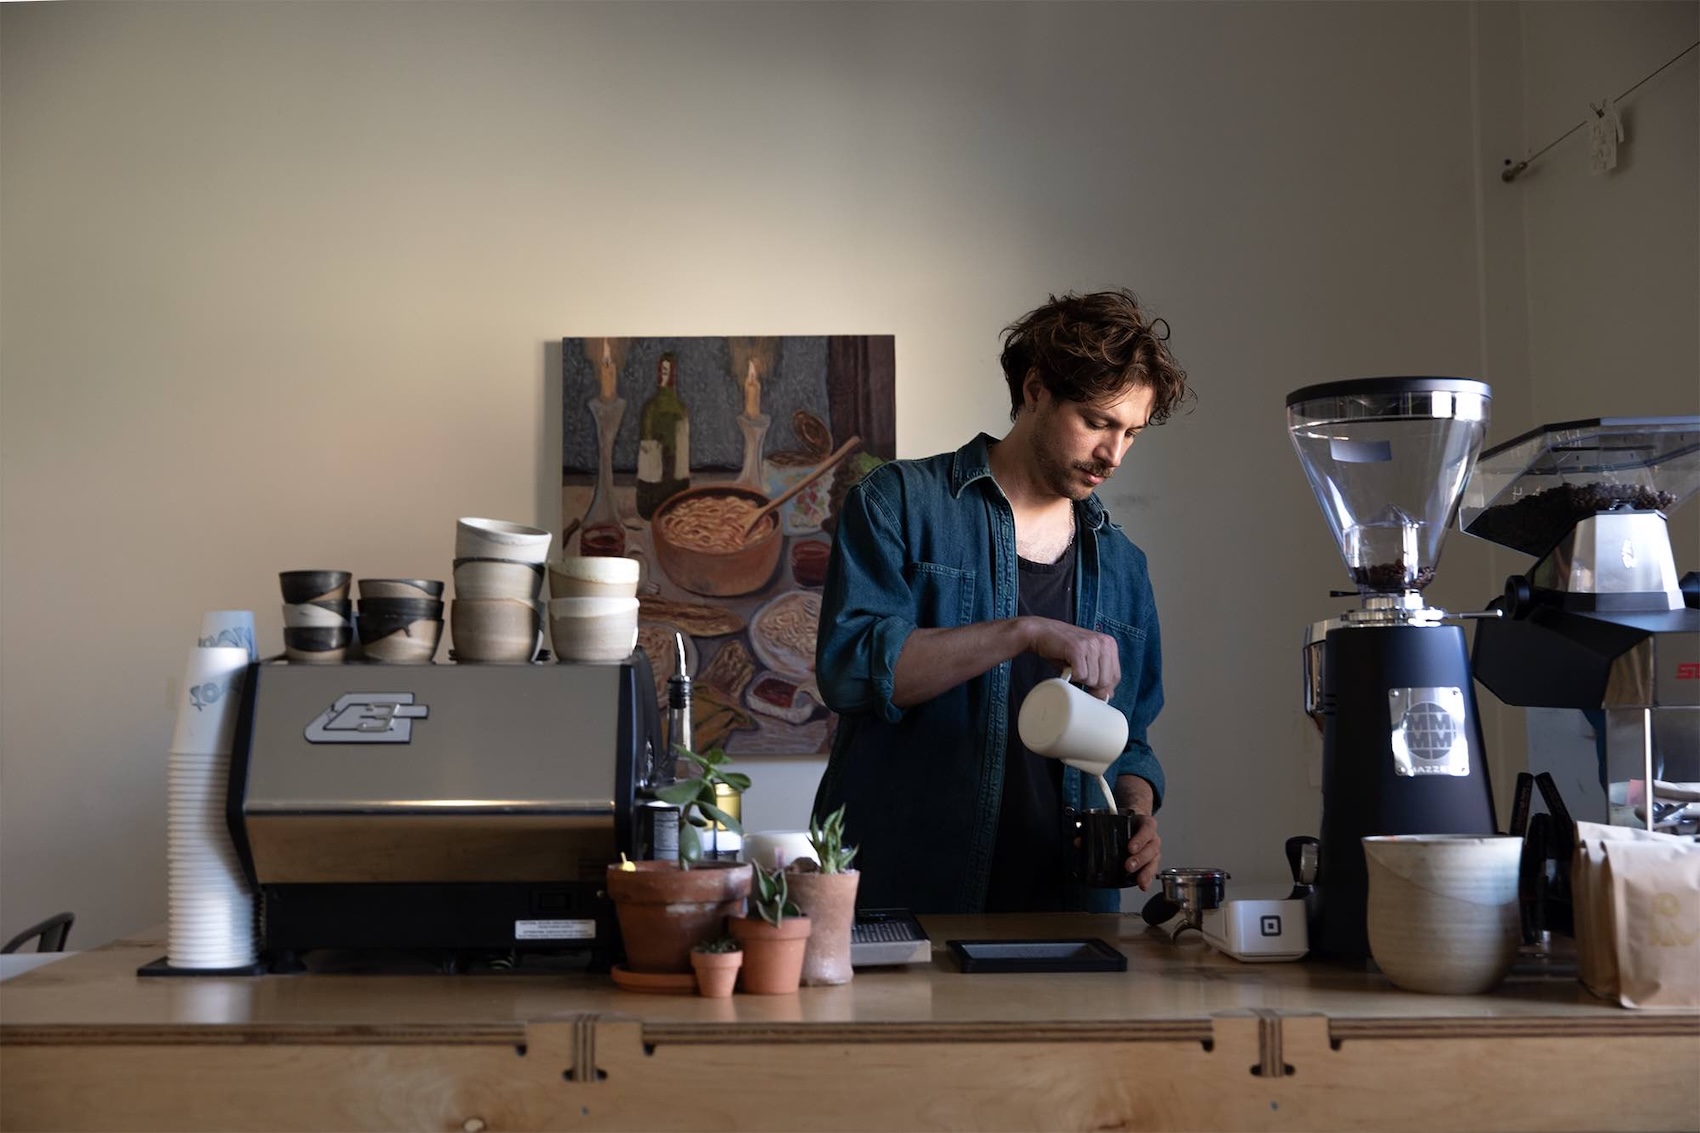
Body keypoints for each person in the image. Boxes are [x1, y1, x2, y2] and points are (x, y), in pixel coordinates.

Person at [811, 289, 1192, 914]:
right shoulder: (899, 503)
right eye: (1097, 422)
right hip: (908, 901)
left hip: (1070, 913)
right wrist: (1022, 632)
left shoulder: (1124, 566)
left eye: (1131, 433)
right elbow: (852, 671)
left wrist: (1135, 813)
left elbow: (1132, 739)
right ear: (1037, 389)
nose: (1113, 454)